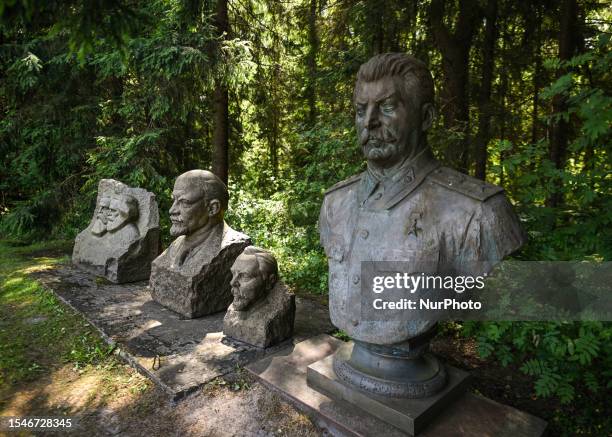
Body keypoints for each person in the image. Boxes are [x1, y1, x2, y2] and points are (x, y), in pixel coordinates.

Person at [318, 53, 526, 397]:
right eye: (360, 110)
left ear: (426, 117)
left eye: (386, 107)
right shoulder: (335, 203)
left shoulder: (477, 211)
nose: (368, 122)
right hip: (352, 363)